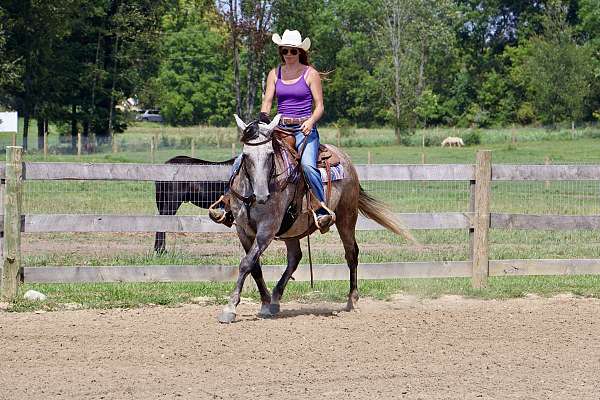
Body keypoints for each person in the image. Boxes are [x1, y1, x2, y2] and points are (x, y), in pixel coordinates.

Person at [210, 29, 334, 231]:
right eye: (285, 51)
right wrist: (263, 120)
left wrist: (311, 122)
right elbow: (267, 102)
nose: (289, 55)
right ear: (281, 52)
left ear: (300, 52)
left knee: (308, 165)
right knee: (243, 158)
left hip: (304, 129)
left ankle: (320, 209)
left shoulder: (310, 74)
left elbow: (320, 106)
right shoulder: (274, 74)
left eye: (293, 51)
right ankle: (226, 203)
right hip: (279, 127)